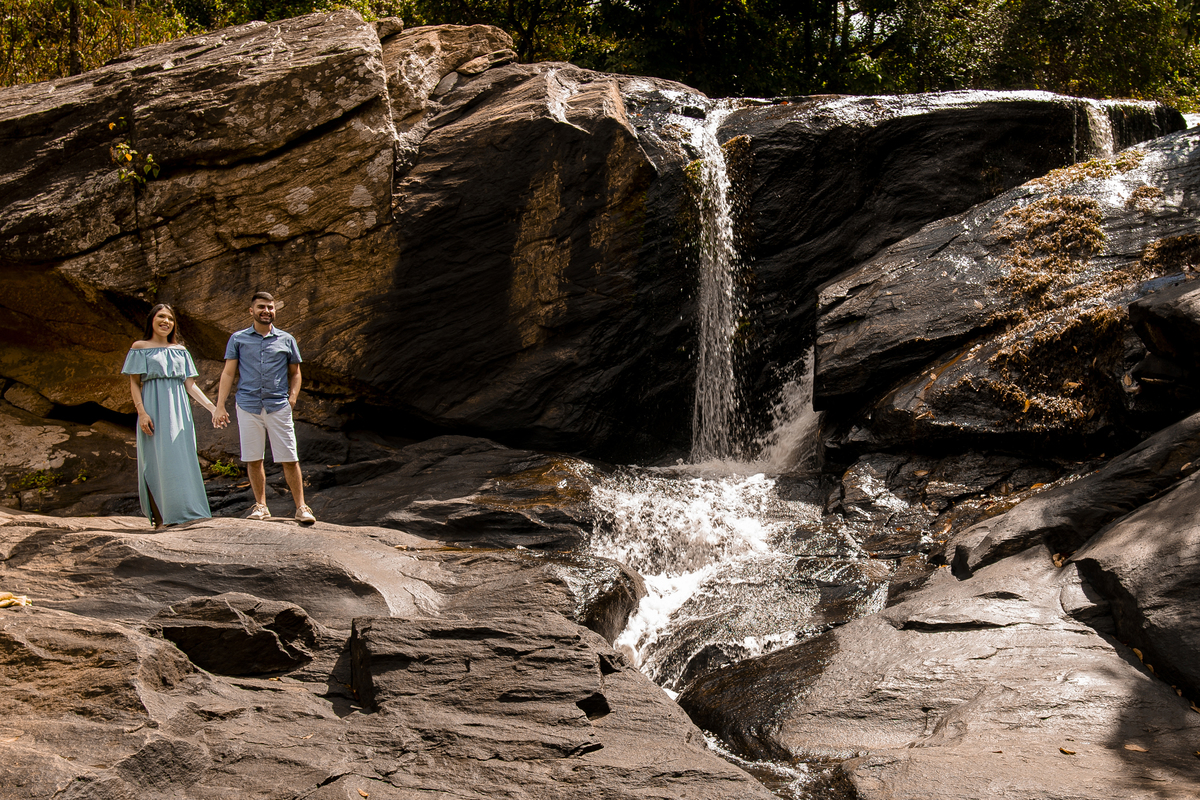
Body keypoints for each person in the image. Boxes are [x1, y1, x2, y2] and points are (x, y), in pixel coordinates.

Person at [214, 291, 315, 524]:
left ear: (274, 311)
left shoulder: (286, 339)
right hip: (248, 405)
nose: (266, 311)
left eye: (270, 307)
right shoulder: (238, 339)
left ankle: (301, 507)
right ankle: (261, 506)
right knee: (253, 458)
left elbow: (296, 373)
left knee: (289, 457)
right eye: (261, 307)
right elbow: (229, 372)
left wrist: (292, 398)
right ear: (251, 311)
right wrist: (220, 405)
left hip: (278, 406)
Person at [122, 304, 225, 528]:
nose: (165, 321)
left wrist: (212, 408)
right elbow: (134, 383)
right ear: (152, 320)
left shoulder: (181, 350)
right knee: (155, 462)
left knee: (181, 461)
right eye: (161, 316)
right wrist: (141, 412)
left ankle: (188, 514)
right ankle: (161, 520)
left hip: (179, 413)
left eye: (169, 318)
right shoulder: (140, 347)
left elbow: (190, 385)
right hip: (152, 410)